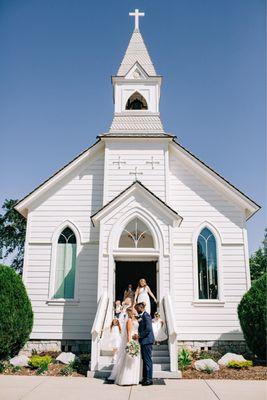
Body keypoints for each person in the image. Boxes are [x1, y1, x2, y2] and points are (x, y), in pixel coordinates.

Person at [108, 308, 141, 385]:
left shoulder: (135, 320)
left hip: (136, 340)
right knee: (129, 360)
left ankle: (134, 378)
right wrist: (130, 344)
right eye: (134, 310)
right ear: (131, 313)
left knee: (135, 360)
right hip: (132, 341)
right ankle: (127, 379)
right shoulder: (129, 321)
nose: (136, 311)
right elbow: (129, 333)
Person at [134, 302, 154, 386]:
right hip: (143, 341)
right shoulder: (142, 316)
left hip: (147, 341)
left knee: (147, 360)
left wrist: (139, 336)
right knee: (144, 360)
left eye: (137, 309)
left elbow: (148, 329)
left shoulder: (146, 315)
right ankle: (145, 378)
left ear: (141, 308)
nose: (136, 310)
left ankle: (149, 379)